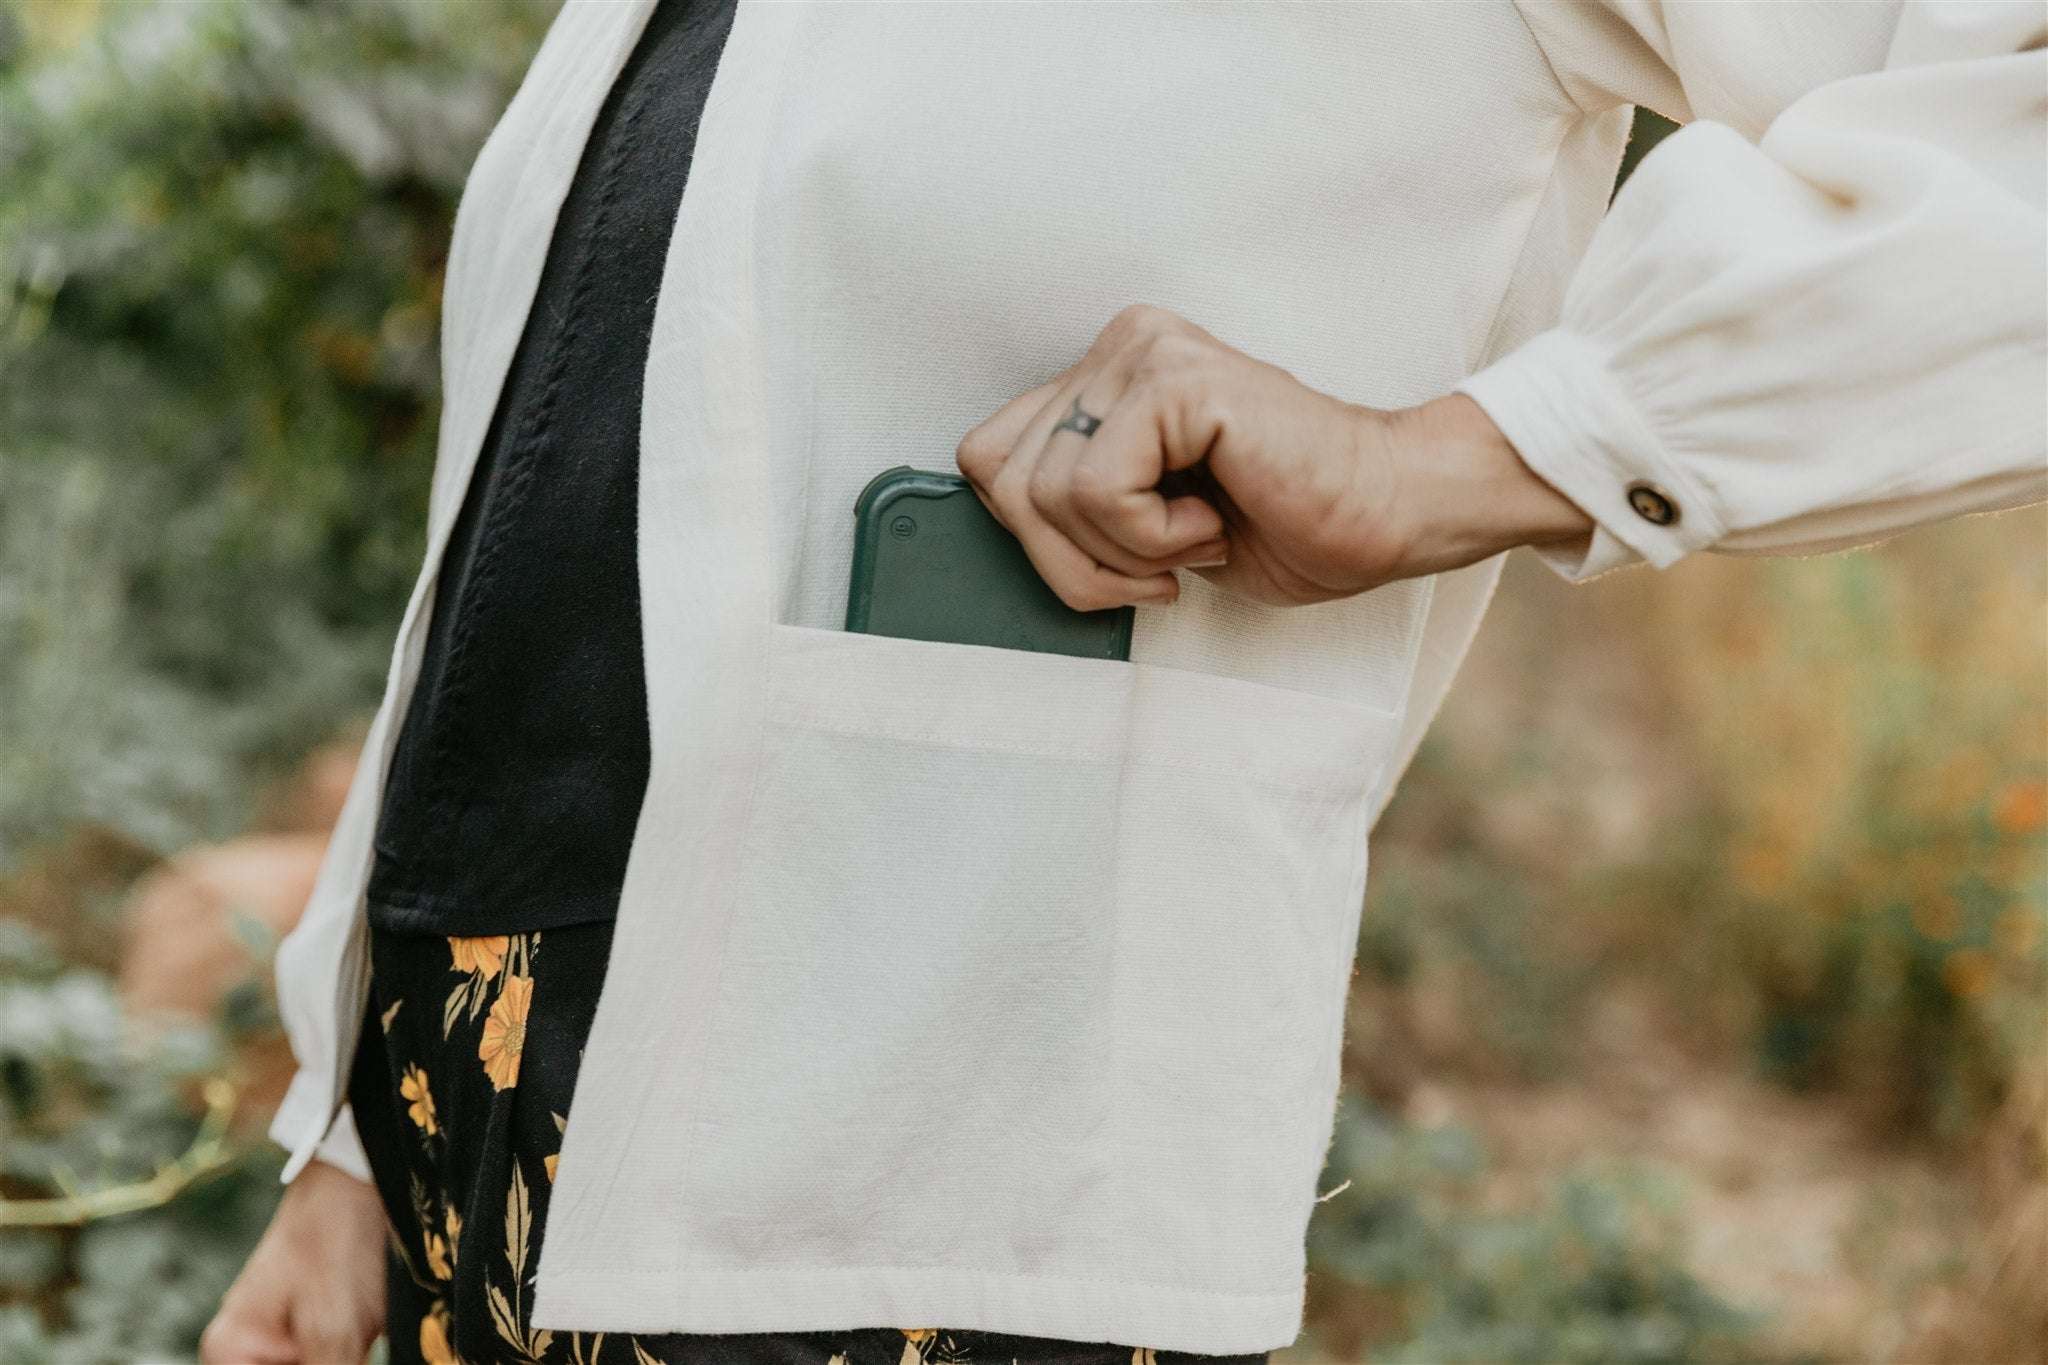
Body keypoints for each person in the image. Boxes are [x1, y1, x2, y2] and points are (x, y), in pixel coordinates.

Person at [205, 1, 2045, 1361]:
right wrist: (350, 1137)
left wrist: (1476, 455)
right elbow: (558, 463)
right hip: (468, 1128)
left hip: (931, 1221)